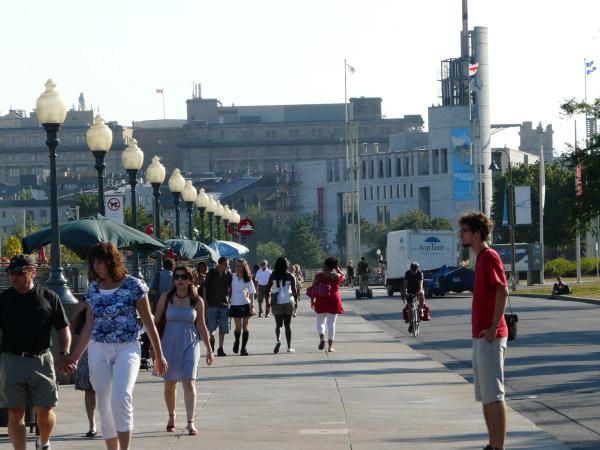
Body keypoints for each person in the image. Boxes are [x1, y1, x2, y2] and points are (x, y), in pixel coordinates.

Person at [70, 242, 167, 450]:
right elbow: (89, 325)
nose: (97, 266)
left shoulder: (133, 285)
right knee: (104, 403)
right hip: (98, 347)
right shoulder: (93, 289)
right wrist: (76, 357)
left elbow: (149, 323)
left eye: (101, 262)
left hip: (127, 347)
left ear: (112, 261)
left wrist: (159, 355)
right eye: (94, 262)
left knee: (121, 396)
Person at [0, 254, 72, 450]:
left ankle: (44, 441)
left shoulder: (49, 297)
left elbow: (63, 328)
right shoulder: (4, 299)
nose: (13, 277)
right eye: (10, 273)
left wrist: (64, 352)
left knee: (45, 409)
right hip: (11, 360)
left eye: (19, 273)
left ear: (32, 272)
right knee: (15, 412)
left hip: (41, 359)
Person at [458, 211, 509, 450]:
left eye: (464, 231)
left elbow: (502, 291)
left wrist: (493, 326)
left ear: (477, 233)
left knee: (494, 395)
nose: (461, 236)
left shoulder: (489, 257)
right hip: (480, 334)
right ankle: (492, 444)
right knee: (486, 396)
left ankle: (498, 446)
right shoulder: (480, 258)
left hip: (491, 334)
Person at [153, 265, 213, 436]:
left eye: (183, 277)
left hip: (190, 343)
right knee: (170, 383)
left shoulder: (197, 300)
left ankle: (190, 422)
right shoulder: (166, 297)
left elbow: (201, 325)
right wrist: (153, 347)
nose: (179, 280)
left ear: (190, 279)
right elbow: (156, 322)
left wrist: (209, 350)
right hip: (168, 343)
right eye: (177, 277)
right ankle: (172, 416)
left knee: (189, 381)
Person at [69, 299, 97, 438]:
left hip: (106, 348)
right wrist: (79, 310)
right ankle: (92, 424)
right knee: (89, 388)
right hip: (86, 351)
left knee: (110, 389)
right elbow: (70, 329)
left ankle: (111, 422)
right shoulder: (85, 305)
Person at [310, 256, 345, 352]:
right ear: (335, 265)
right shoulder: (337, 276)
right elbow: (344, 277)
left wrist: (312, 300)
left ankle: (321, 337)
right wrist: (338, 270)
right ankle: (330, 347)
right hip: (334, 299)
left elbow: (313, 288)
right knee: (331, 323)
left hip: (321, 299)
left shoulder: (319, 276)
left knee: (320, 320)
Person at [267, 257, 299, 353]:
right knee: (287, 325)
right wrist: (296, 304)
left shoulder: (273, 275)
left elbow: (267, 288)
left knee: (278, 324)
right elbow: (294, 291)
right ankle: (289, 347)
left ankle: (278, 340)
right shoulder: (291, 276)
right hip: (288, 301)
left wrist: (269, 300)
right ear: (286, 265)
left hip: (277, 301)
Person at [203, 256, 232, 357]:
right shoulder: (211, 273)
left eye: (227, 265)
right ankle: (212, 338)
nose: (226, 267)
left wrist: (230, 298)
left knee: (223, 328)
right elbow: (205, 286)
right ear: (219, 264)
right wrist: (205, 299)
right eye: (225, 265)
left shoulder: (228, 275)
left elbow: (230, 287)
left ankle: (220, 348)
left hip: (223, 304)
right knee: (211, 327)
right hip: (212, 303)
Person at [229, 259, 256, 356]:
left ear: (244, 267)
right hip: (234, 304)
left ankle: (243, 348)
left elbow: (252, 292)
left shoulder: (248, 278)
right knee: (238, 327)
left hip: (245, 304)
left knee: (245, 326)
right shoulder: (232, 277)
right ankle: (236, 341)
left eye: (240, 266)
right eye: (237, 266)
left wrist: (252, 306)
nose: (238, 268)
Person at [403, 262, 426, 334]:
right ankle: (410, 324)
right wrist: (405, 292)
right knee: (410, 308)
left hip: (417, 289)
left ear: (417, 269)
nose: (414, 272)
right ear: (410, 269)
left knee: (422, 294)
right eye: (412, 270)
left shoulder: (420, 273)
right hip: (410, 290)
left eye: (415, 270)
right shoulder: (407, 273)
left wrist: (419, 291)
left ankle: (421, 309)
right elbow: (405, 284)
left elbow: (420, 284)